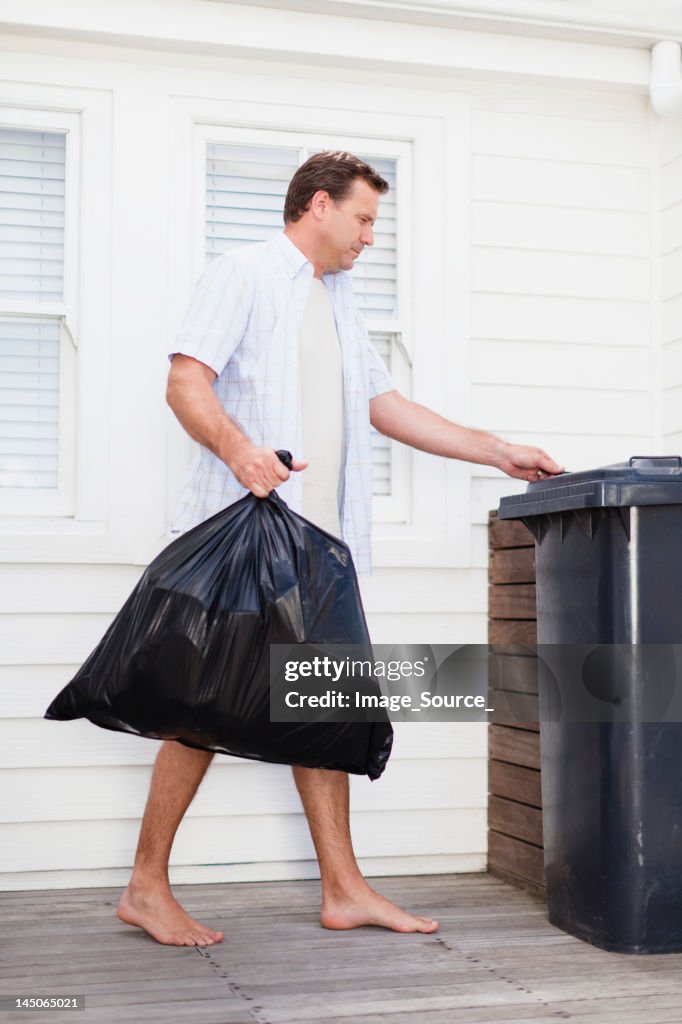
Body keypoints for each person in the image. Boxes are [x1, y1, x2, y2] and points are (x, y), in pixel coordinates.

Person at [117, 151, 562, 947]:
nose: (367, 238)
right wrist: (241, 450)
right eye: (361, 220)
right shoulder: (244, 273)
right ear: (317, 206)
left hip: (323, 545)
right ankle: (147, 885)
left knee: (319, 699)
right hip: (247, 535)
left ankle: (343, 888)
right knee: (202, 708)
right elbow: (187, 381)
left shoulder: (339, 299)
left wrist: (496, 450)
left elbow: (383, 406)